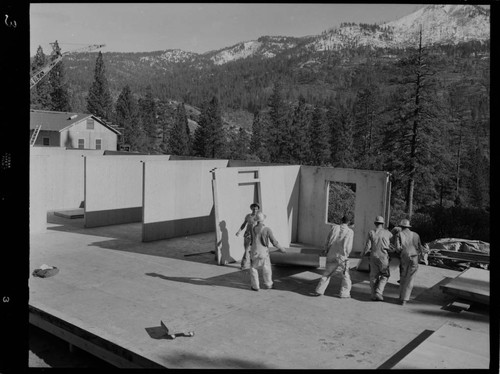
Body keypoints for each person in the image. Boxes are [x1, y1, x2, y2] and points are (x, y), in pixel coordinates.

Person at [312, 214, 354, 298]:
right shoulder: (350, 232)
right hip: (342, 256)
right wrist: (346, 254)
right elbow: (348, 246)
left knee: (327, 273)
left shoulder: (335, 228)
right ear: (349, 222)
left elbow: (328, 240)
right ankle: (344, 293)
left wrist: (326, 250)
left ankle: (319, 290)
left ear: (342, 220)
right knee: (345, 275)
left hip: (331, 254)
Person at [249, 211, 286, 291]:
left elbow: (252, 240)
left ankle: (255, 286)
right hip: (263, 252)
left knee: (253, 268)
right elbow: (274, 242)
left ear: (257, 220)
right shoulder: (267, 229)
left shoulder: (253, 228)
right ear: (263, 220)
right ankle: (269, 285)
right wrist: (281, 249)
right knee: (267, 268)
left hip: (254, 251)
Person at [361, 216, 393, 301]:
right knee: (385, 275)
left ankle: (373, 295)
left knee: (373, 276)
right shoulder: (388, 233)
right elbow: (391, 245)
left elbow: (368, 246)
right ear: (383, 224)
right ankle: (379, 292)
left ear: (375, 223)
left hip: (373, 256)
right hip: (384, 257)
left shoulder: (371, 232)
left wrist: (362, 255)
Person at [394, 219, 425, 305]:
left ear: (401, 227)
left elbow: (397, 248)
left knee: (403, 276)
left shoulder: (399, 234)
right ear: (408, 227)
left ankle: (401, 297)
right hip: (414, 257)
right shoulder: (416, 235)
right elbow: (420, 247)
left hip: (404, 257)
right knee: (410, 278)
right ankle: (405, 300)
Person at [236, 203, 260, 270]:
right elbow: (243, 224)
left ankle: (253, 265)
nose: (255, 210)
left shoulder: (258, 217)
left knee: (254, 251)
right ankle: (243, 265)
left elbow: (260, 226)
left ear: (258, 209)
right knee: (246, 250)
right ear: (251, 208)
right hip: (248, 235)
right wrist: (239, 231)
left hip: (255, 235)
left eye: (256, 209)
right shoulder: (248, 216)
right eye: (253, 208)